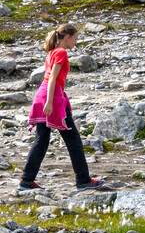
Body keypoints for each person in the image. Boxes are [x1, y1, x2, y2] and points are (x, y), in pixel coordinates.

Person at [18, 22, 102, 194]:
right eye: (75, 38)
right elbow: (53, 79)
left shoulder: (51, 52)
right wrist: (50, 102)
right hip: (52, 98)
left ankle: (27, 180)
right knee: (73, 141)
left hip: (44, 95)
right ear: (68, 37)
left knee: (41, 140)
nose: (76, 43)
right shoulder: (62, 52)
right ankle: (83, 180)